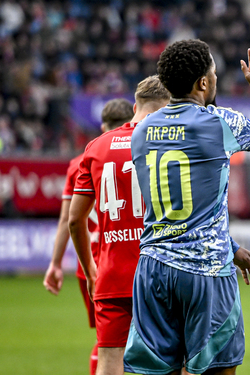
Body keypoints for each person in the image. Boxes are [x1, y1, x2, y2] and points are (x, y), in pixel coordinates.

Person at [123, 37, 250, 375]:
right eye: (213, 74)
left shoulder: (141, 132)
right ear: (203, 82)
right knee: (217, 370)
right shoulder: (219, 123)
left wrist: (232, 247)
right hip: (205, 271)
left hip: (153, 269)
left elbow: (173, 208)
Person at [68, 77, 171, 375]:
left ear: (135, 105)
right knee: (172, 363)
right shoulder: (169, 144)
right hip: (160, 275)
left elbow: (76, 219)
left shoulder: (96, 147)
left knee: (109, 364)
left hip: (112, 275)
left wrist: (90, 270)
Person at [43, 98, 134, 375]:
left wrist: (55, 263)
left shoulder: (81, 161)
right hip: (130, 257)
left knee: (106, 339)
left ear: (103, 126)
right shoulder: (143, 150)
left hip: (91, 265)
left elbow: (68, 219)